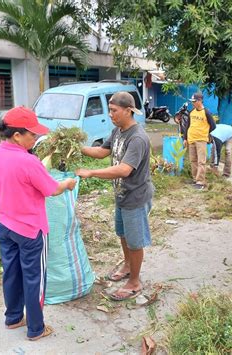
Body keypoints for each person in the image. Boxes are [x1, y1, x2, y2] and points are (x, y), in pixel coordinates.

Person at [0, 106, 76, 341]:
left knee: (11, 272)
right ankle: (36, 328)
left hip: (3, 223)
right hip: (30, 230)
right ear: (17, 135)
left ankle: (13, 318)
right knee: (34, 276)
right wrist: (66, 184)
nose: (35, 138)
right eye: (32, 135)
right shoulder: (28, 161)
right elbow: (52, 189)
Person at [76, 92, 153, 301]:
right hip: (121, 195)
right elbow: (103, 152)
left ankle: (135, 282)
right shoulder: (118, 130)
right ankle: (127, 265)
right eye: (110, 110)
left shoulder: (137, 138)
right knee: (123, 233)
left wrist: (91, 172)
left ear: (128, 110)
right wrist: (77, 147)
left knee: (135, 241)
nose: (110, 114)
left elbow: (124, 170)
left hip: (135, 197)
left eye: (114, 111)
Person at [183, 92, 216, 190]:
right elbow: (187, 126)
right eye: (192, 101)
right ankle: (195, 179)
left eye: (194, 101)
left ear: (200, 101)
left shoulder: (206, 112)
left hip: (201, 140)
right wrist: (185, 138)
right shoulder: (192, 112)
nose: (193, 103)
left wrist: (204, 132)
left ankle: (200, 181)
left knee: (201, 161)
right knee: (193, 160)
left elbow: (213, 126)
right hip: (191, 139)